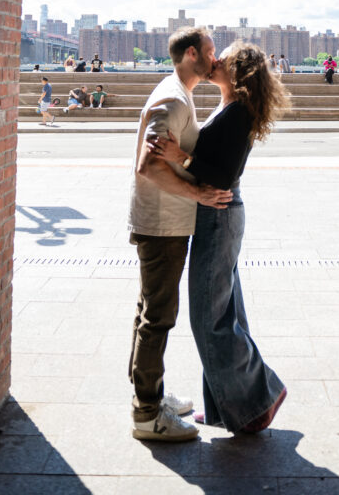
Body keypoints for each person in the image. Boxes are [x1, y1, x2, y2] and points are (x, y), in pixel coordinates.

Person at [147, 42, 291, 434]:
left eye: (222, 59)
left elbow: (224, 174)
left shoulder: (237, 113)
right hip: (219, 215)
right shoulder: (231, 109)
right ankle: (228, 409)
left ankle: (261, 395)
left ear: (237, 71)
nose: (215, 62)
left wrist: (182, 158)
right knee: (224, 313)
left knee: (208, 319)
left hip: (220, 213)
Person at [128, 27, 233, 443]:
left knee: (148, 314)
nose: (215, 58)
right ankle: (147, 415)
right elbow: (149, 166)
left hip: (165, 223)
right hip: (161, 225)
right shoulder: (172, 99)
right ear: (192, 54)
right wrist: (198, 194)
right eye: (210, 51)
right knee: (158, 317)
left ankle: (147, 397)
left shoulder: (179, 94)